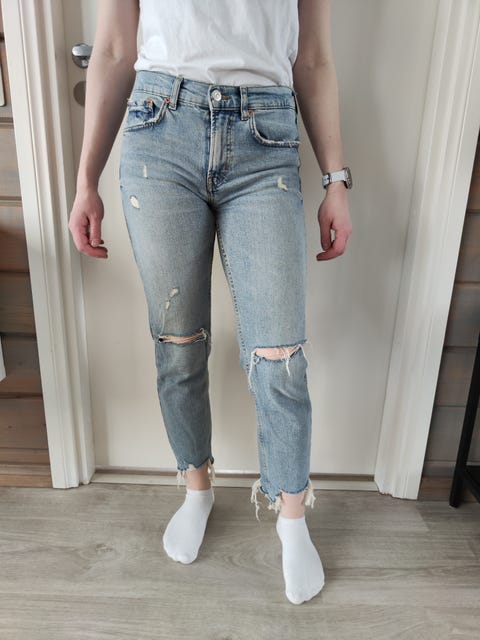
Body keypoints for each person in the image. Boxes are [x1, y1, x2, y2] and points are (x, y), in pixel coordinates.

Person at [68, 0, 352, 606]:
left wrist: (336, 180)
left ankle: (292, 519)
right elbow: (114, 49)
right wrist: (85, 179)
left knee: (280, 355)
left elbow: (313, 58)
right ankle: (197, 488)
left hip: (265, 137)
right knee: (178, 342)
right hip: (159, 128)